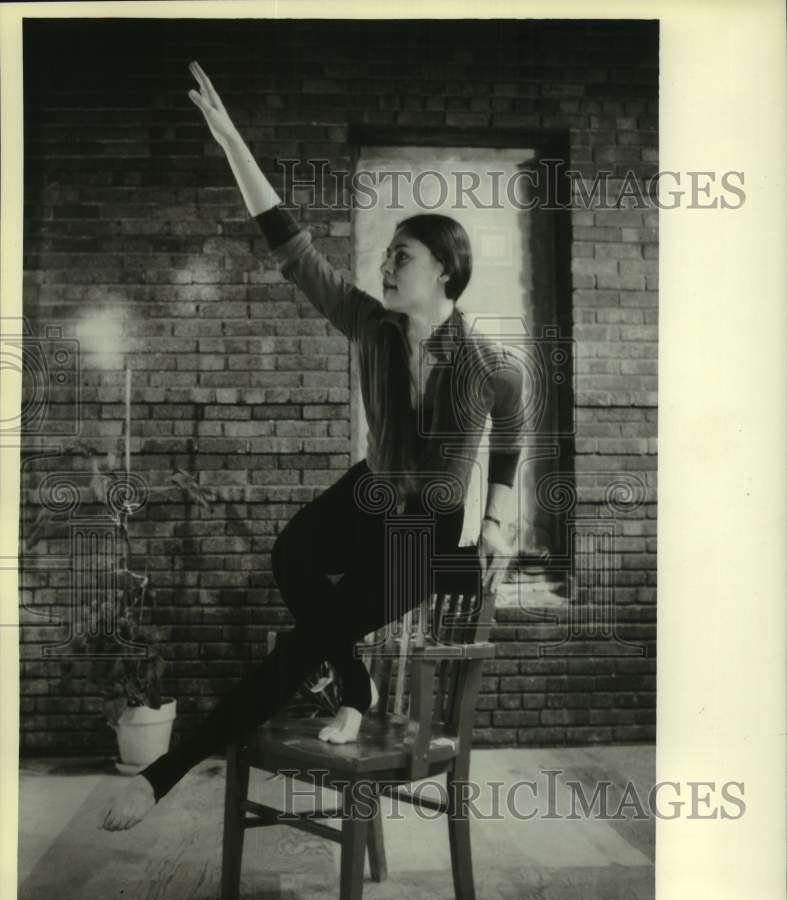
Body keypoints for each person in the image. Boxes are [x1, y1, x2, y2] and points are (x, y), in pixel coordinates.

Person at [102, 62, 524, 831]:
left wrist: (496, 518)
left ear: (446, 270)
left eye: (402, 255)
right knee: (291, 556)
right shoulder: (370, 326)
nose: (385, 264)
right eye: (387, 253)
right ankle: (355, 685)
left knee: (299, 650)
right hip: (371, 494)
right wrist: (232, 140)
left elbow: (515, 427)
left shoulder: (488, 364)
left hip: (424, 534)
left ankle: (162, 776)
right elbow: (293, 249)